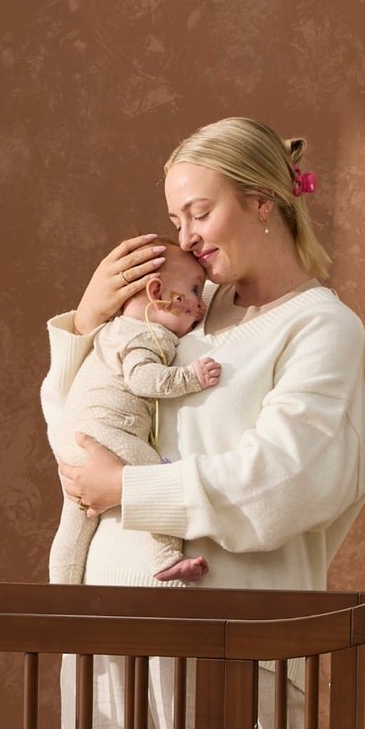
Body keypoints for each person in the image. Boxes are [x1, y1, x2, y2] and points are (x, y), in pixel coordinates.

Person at [41, 116, 365, 729]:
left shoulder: (319, 328)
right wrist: (87, 322)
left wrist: (128, 489)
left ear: (263, 201)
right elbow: (82, 433)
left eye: (199, 212)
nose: (186, 236)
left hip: (233, 643)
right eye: (176, 219)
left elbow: (283, 481)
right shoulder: (183, 312)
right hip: (111, 630)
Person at [48, 242, 220, 587]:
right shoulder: (146, 335)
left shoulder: (115, 330)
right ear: (156, 293)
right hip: (105, 435)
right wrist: (190, 378)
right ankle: (166, 558)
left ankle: (61, 593)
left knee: (74, 524)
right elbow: (143, 379)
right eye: (194, 291)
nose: (201, 305)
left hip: (74, 439)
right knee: (154, 478)